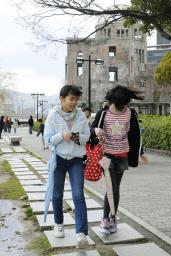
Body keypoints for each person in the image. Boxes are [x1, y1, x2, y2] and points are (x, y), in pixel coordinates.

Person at [90, 85, 142, 235]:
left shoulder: (130, 113)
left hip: (122, 155)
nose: (122, 107)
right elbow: (91, 129)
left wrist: (138, 154)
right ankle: (105, 219)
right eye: (120, 104)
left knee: (116, 188)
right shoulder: (103, 113)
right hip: (106, 155)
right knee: (110, 187)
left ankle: (113, 218)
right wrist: (96, 130)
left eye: (125, 104)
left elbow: (134, 135)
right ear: (113, 100)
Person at [44, 85, 90, 248]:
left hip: (76, 159)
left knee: (78, 195)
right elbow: (47, 139)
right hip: (59, 159)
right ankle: (58, 223)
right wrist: (61, 136)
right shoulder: (53, 115)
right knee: (57, 195)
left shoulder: (81, 116)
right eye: (71, 99)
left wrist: (78, 137)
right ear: (62, 99)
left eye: (76, 99)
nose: (74, 102)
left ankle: (81, 234)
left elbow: (87, 136)